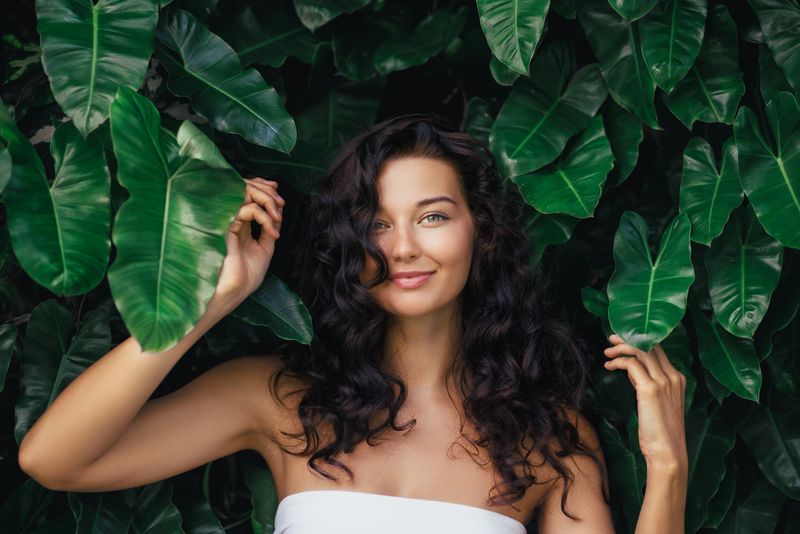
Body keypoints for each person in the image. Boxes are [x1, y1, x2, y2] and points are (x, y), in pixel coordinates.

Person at [18, 114, 687, 533]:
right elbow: (53, 459)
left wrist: (667, 466)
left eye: (432, 216)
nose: (401, 248)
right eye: (375, 223)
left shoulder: (545, 434)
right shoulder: (278, 397)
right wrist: (211, 302)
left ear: (480, 233)